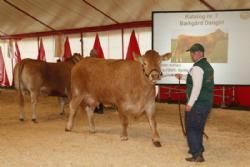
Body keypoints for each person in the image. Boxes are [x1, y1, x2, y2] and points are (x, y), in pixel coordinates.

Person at [175, 43, 214, 163]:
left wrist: (190, 104)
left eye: (193, 52)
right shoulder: (207, 66)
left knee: (192, 128)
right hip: (206, 102)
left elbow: (197, 87)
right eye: (191, 52)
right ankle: (198, 147)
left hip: (197, 104)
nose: (192, 55)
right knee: (199, 126)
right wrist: (183, 76)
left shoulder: (197, 67)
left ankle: (197, 155)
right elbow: (198, 79)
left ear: (200, 53)